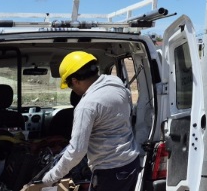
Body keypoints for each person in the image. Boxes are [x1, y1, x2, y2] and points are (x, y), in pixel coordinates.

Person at [39, 51, 142, 191]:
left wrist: (50, 178)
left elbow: (76, 152)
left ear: (75, 81)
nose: (72, 90)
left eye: (70, 86)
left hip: (109, 172)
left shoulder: (87, 106)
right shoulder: (116, 83)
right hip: (131, 163)